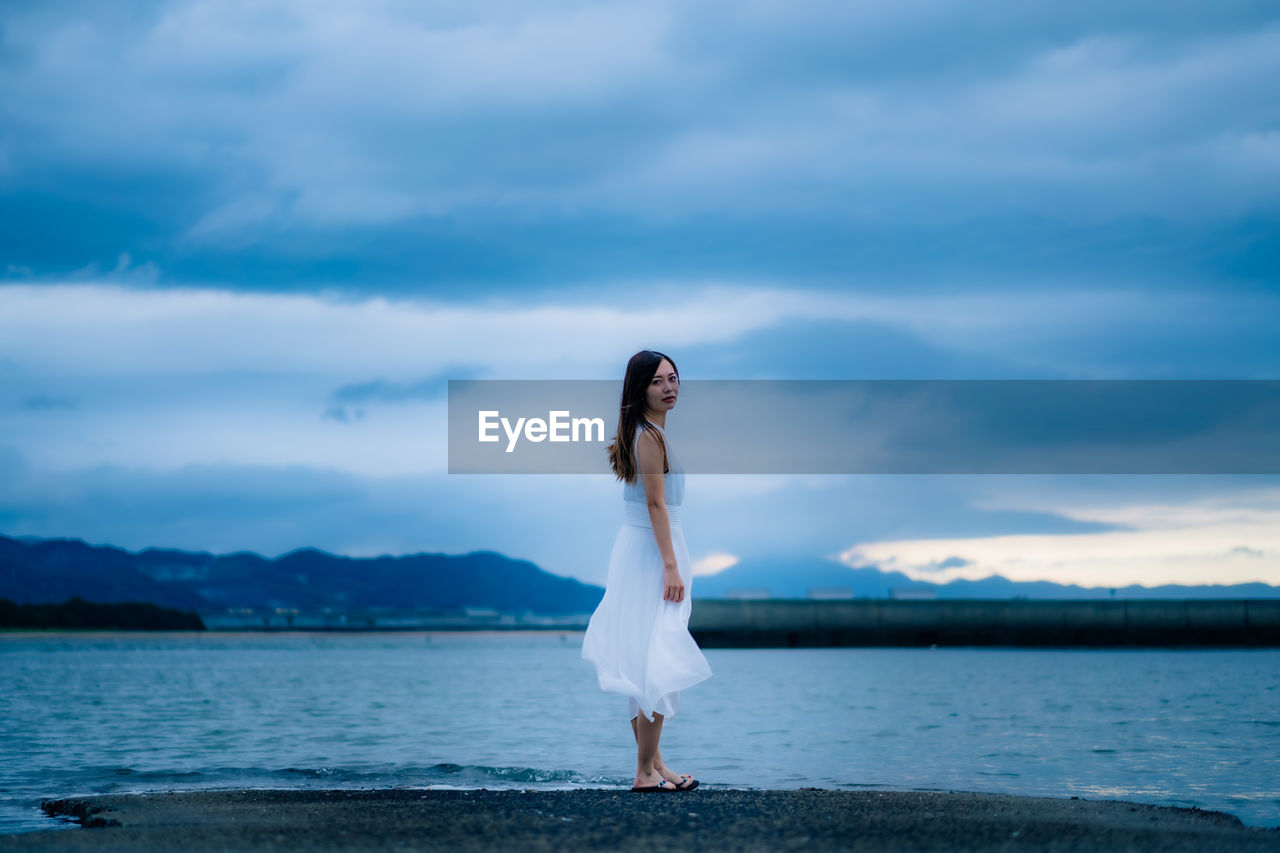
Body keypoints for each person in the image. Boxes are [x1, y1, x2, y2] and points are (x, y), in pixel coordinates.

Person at [581, 349, 713, 792]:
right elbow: (656, 505)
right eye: (657, 381)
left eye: (672, 378)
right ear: (639, 389)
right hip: (654, 553)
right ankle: (644, 772)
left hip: (644, 549)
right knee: (659, 659)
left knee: (647, 659)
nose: (669, 387)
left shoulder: (646, 433)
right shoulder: (649, 438)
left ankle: (656, 767)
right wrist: (671, 566)